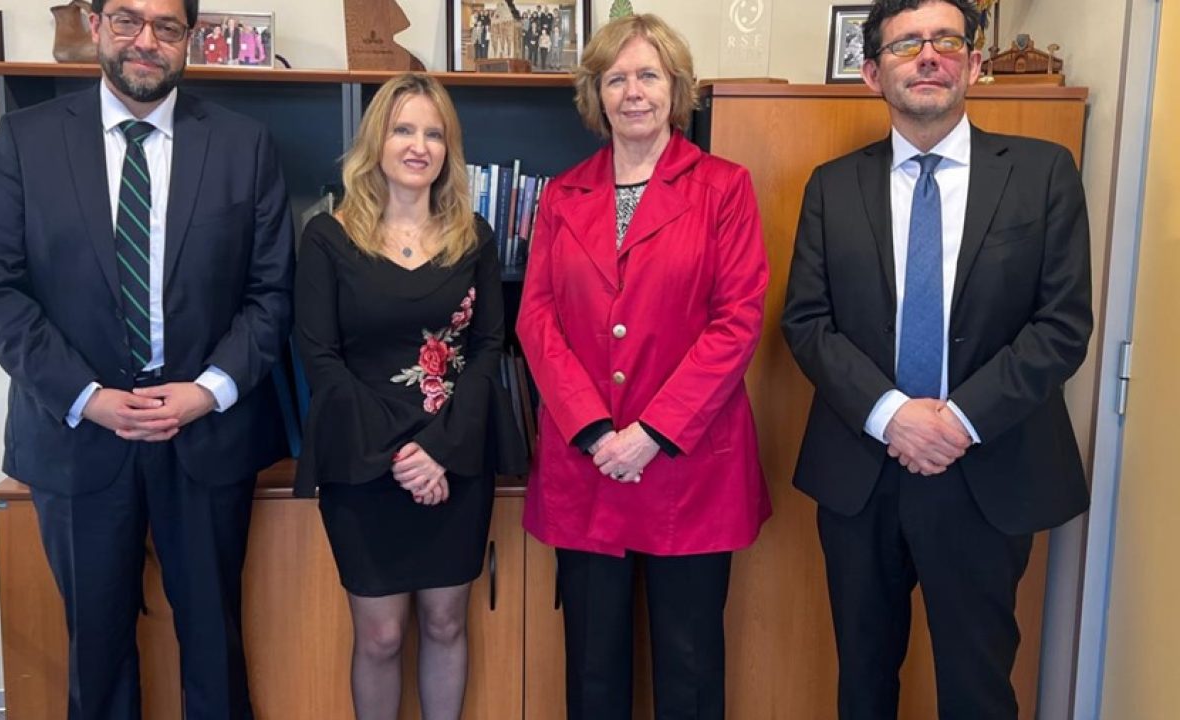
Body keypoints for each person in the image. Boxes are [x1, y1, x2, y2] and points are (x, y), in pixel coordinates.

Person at [0, 0, 294, 716]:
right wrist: (89, 397)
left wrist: (207, 390)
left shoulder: (244, 145)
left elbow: (272, 293)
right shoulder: (26, 140)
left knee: (214, 640)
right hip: (77, 436)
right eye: (127, 20)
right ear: (94, 24)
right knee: (97, 647)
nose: (146, 40)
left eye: (167, 26)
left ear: (190, 38)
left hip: (205, 434)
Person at [780, 1, 1092, 718]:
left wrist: (958, 421)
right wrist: (894, 416)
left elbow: (1062, 325)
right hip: (863, 472)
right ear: (872, 74)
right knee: (863, 684)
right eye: (905, 45)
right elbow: (808, 322)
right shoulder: (831, 186)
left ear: (974, 64)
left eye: (946, 41)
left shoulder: (1042, 174)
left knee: (978, 689)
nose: (927, 56)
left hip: (988, 467)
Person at [516, 14, 771, 720]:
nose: (633, 92)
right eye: (616, 78)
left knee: (690, 668)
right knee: (593, 669)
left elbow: (738, 320)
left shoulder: (724, 187)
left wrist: (652, 433)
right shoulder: (561, 195)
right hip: (588, 465)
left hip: (688, 468)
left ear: (676, 88)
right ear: (595, 94)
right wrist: (595, 430)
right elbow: (536, 320)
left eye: (648, 76)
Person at [294, 72, 525, 720]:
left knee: (447, 623)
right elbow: (320, 357)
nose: (419, 146)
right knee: (381, 635)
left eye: (433, 133)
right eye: (403, 129)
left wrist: (440, 452)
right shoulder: (328, 237)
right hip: (362, 461)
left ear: (449, 149)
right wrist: (401, 456)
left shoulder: (474, 235)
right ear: (377, 140)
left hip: (455, 458)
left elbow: (488, 347)